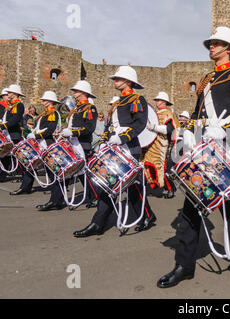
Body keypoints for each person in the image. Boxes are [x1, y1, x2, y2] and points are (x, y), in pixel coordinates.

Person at [157, 26, 230, 288]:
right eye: (210, 43)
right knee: (192, 202)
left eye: (217, 43)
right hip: (202, 147)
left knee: (229, 205)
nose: (211, 47)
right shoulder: (206, 79)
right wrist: (190, 132)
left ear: (229, 49)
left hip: (226, 148)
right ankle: (184, 265)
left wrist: (223, 130)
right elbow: (198, 112)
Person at [73, 66, 156, 237]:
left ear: (128, 81)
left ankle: (146, 215)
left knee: (130, 186)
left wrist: (122, 137)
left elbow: (139, 124)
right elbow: (111, 126)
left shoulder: (136, 99)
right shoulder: (118, 102)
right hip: (115, 147)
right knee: (109, 184)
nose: (115, 81)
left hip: (128, 147)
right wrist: (106, 141)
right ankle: (98, 223)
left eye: (118, 78)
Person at [35, 80, 98, 211]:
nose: (74, 93)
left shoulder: (89, 108)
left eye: (76, 91)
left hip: (82, 144)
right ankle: (56, 200)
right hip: (72, 143)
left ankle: (96, 197)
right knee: (64, 172)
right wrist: (64, 131)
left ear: (83, 93)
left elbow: (89, 128)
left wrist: (73, 132)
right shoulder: (76, 109)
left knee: (83, 173)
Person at [12, 91, 61, 196]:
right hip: (39, 142)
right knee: (30, 165)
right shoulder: (44, 113)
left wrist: (37, 135)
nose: (42, 101)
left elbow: (49, 130)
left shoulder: (53, 113)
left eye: (45, 100)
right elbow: (39, 128)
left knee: (50, 169)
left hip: (46, 142)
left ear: (50, 101)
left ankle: (57, 194)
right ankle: (25, 187)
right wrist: (33, 133)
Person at [143, 91, 179, 199]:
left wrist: (154, 127)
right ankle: (152, 186)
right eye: (157, 100)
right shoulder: (155, 113)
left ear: (164, 102)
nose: (157, 102)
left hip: (162, 144)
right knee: (147, 164)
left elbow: (169, 129)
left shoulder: (168, 113)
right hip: (152, 144)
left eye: (158, 100)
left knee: (162, 169)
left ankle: (170, 188)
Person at [1, 85, 26, 193]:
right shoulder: (10, 105)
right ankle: (2, 175)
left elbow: (15, 119)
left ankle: (25, 180)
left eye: (10, 92)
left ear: (15, 94)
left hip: (14, 135)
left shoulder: (18, 105)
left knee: (20, 159)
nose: (8, 94)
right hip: (8, 134)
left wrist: (3, 126)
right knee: (4, 156)